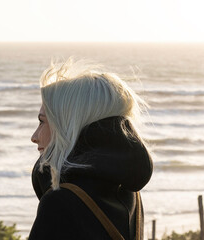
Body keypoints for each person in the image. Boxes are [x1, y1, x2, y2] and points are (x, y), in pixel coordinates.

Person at [28, 59, 153, 240]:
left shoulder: (61, 202)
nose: (34, 136)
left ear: (67, 126)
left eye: (42, 122)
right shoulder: (129, 193)